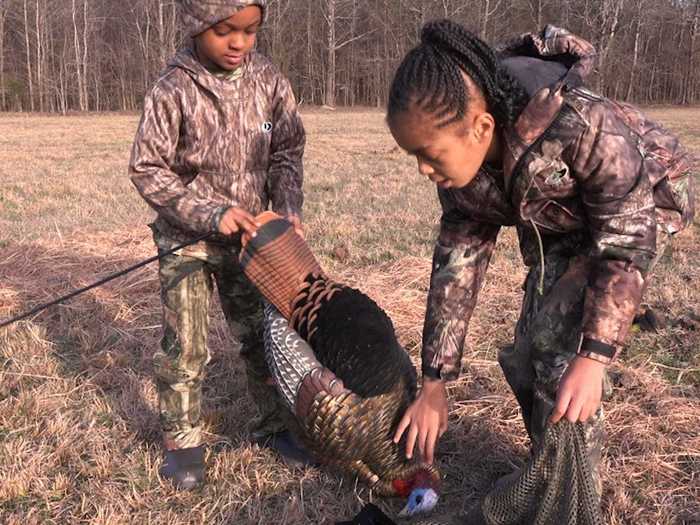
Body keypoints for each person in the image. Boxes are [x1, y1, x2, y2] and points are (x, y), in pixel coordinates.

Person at [387, 20, 695, 520]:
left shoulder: (576, 122)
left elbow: (625, 235)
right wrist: (434, 382)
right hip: (565, 221)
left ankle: (571, 493)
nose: (423, 168)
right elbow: (456, 270)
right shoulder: (461, 180)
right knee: (526, 349)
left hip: (646, 204)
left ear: (481, 128)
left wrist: (594, 356)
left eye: (429, 153)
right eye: (413, 156)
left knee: (561, 352)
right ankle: (547, 462)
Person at [129, 0, 309, 489]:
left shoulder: (269, 82)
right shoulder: (173, 88)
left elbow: (286, 150)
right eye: (225, 31)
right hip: (186, 240)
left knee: (261, 339)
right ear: (195, 26)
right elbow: (148, 169)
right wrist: (209, 214)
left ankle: (276, 425)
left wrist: (286, 211)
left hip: (251, 244)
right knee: (186, 347)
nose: (239, 43)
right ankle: (182, 442)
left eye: (250, 31)